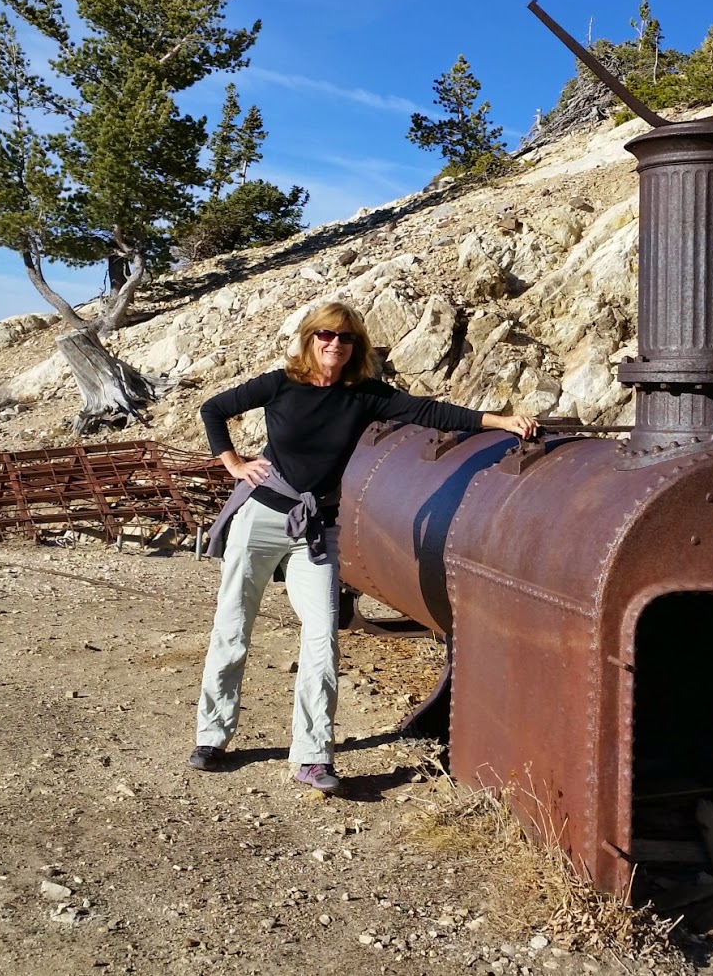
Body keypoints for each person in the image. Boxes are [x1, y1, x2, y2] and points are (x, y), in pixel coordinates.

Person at [187, 300, 537, 793]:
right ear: (310, 338)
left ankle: (312, 757)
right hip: (263, 517)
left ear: (356, 347)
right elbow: (214, 409)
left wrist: (497, 422)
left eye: (346, 338)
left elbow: (430, 412)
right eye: (326, 335)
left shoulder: (364, 395)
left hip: (317, 529)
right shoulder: (281, 385)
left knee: (321, 637)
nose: (335, 344)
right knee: (233, 624)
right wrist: (233, 463)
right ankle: (212, 736)